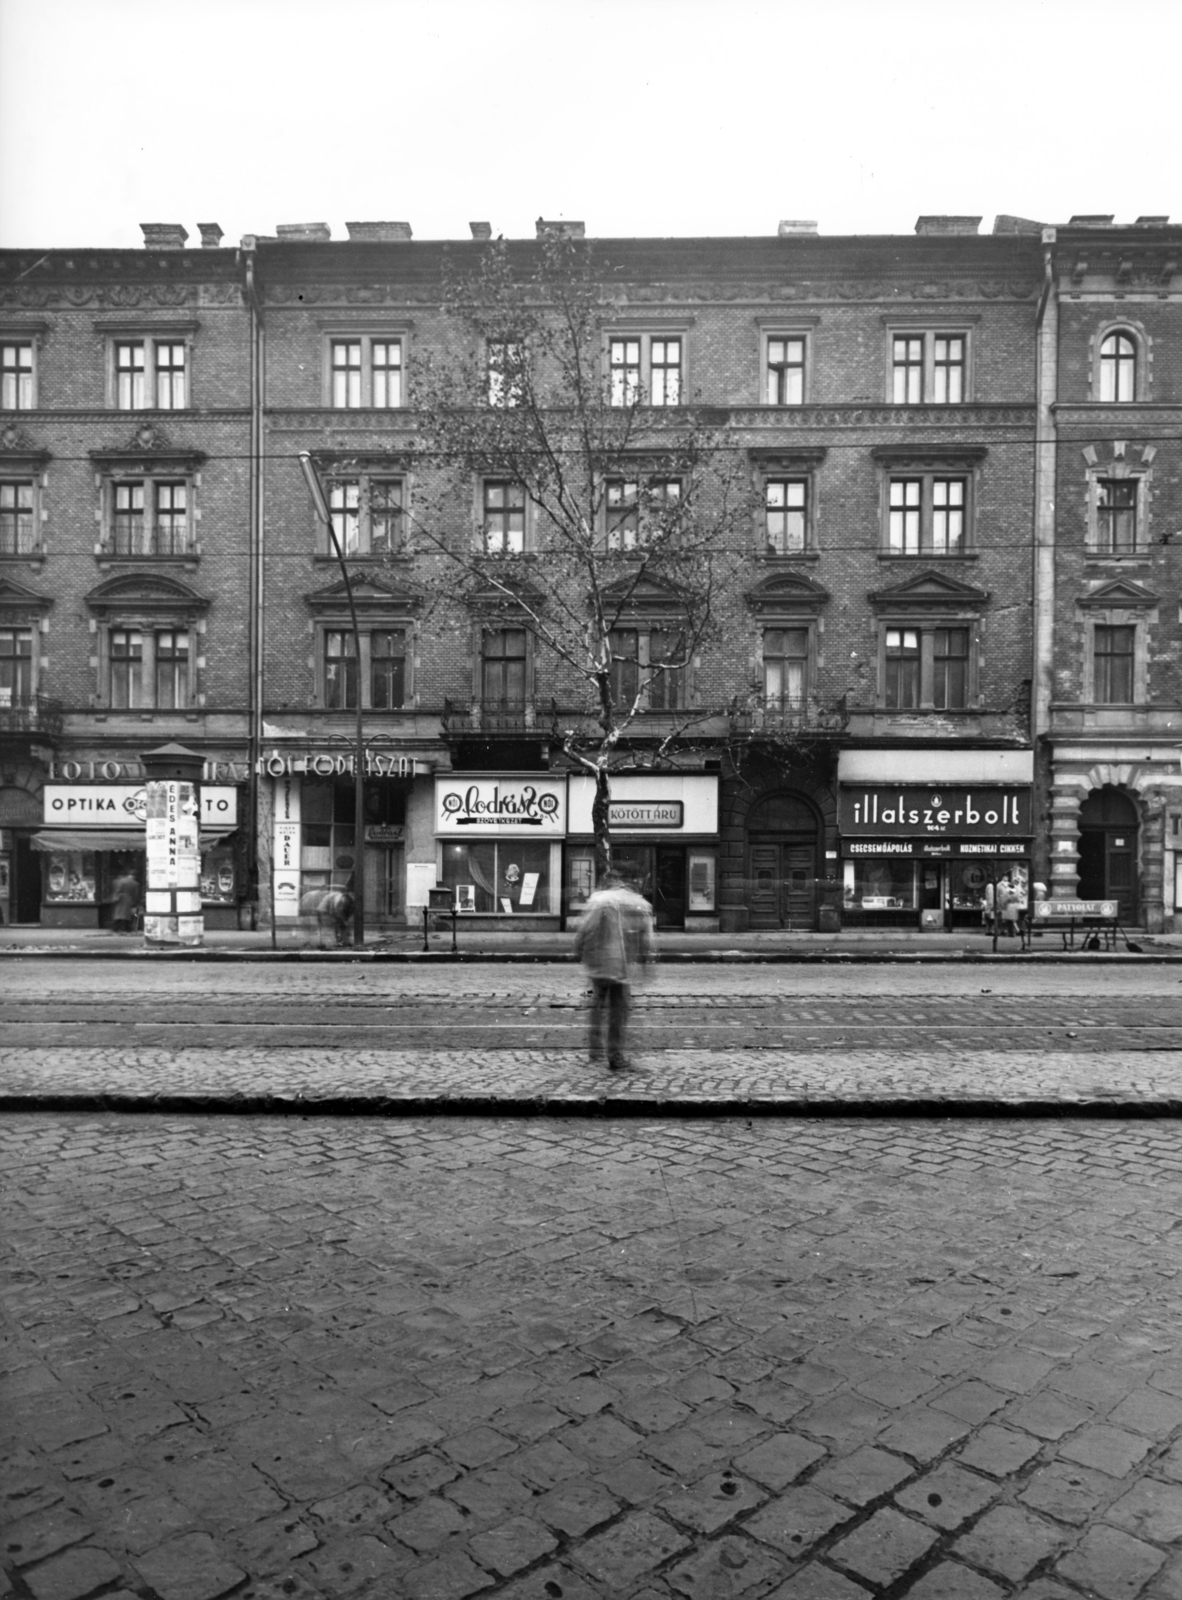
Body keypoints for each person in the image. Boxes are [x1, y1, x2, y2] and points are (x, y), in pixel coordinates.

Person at [572, 869, 656, 1071]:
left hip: (599, 962)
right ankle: (615, 1056)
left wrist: (580, 949)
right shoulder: (636, 902)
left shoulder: (598, 901)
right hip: (619, 965)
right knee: (618, 1010)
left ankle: (595, 1049)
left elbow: (584, 929)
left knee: (598, 1003)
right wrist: (646, 962)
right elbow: (646, 937)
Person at [110, 868, 140, 934]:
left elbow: (118, 889)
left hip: (120, 899)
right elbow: (136, 894)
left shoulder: (122, 881)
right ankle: (126, 928)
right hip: (129, 899)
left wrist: (115, 897)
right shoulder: (135, 883)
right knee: (127, 915)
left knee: (118, 914)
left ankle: (116, 928)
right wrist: (134, 901)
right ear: (134, 876)